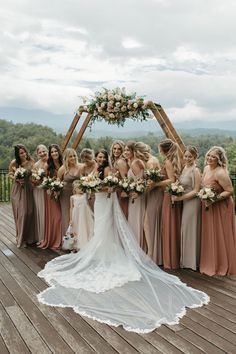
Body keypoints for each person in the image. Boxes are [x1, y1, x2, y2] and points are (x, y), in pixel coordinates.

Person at [37, 159, 209, 333]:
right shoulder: (96, 174)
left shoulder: (114, 173)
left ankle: (106, 255)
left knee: (106, 229)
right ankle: (99, 255)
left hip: (108, 203)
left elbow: (117, 187)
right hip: (100, 202)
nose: (103, 163)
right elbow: (92, 187)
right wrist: (98, 187)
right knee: (100, 229)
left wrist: (112, 187)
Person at [200, 146, 236, 276]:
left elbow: (230, 191)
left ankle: (223, 263)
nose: (210, 158)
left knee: (222, 234)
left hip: (221, 207)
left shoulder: (220, 173)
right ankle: (212, 261)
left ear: (219, 159)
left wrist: (214, 199)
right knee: (211, 233)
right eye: (209, 155)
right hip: (209, 206)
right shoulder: (206, 168)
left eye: (213, 157)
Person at [148, 139, 182, 269]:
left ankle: (169, 258)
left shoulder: (168, 161)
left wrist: (156, 183)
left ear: (163, 149)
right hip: (172, 194)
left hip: (168, 194)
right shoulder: (175, 159)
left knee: (168, 224)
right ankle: (173, 256)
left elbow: (171, 179)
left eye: (160, 148)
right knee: (173, 224)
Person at [172, 146, 201, 270]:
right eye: (186, 156)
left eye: (190, 156)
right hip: (185, 202)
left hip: (193, 203)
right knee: (185, 228)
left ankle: (192, 262)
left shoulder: (195, 170)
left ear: (195, 157)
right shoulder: (185, 168)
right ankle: (186, 260)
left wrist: (180, 198)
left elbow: (196, 191)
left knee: (190, 229)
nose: (187, 158)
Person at [9, 144, 36, 248]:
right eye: (21, 153)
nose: (23, 154)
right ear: (18, 154)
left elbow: (34, 173)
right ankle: (20, 238)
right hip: (17, 190)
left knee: (29, 212)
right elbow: (10, 174)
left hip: (28, 189)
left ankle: (28, 237)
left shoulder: (31, 161)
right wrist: (16, 178)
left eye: (24, 151)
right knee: (21, 213)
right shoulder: (14, 163)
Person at [38, 144, 62, 250]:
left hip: (64, 193)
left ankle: (64, 240)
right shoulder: (48, 166)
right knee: (56, 218)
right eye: (52, 152)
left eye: (55, 151)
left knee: (64, 217)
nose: (54, 153)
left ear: (59, 152)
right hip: (52, 195)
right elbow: (45, 181)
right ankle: (55, 239)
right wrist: (52, 188)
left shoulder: (64, 163)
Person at [124, 141, 146, 247]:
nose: (125, 152)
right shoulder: (132, 162)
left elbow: (140, 182)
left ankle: (137, 247)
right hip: (133, 196)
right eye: (125, 150)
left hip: (137, 197)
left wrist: (134, 191)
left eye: (128, 150)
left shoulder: (134, 163)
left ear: (134, 151)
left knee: (135, 221)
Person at [58, 148, 81, 237]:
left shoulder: (80, 167)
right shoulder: (62, 169)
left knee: (78, 215)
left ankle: (78, 238)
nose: (73, 158)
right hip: (65, 195)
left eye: (74, 156)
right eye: (70, 156)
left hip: (78, 194)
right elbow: (58, 182)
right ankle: (67, 238)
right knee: (67, 215)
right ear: (66, 158)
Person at [69, 180, 94, 250]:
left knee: (85, 226)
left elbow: (88, 205)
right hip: (76, 215)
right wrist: (70, 219)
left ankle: (86, 242)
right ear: (74, 189)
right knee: (77, 228)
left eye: (81, 188)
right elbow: (71, 208)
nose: (80, 189)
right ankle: (76, 244)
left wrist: (91, 213)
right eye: (78, 188)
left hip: (85, 214)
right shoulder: (72, 197)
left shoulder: (85, 195)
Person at [32, 144, 48, 244]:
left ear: (47, 151)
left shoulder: (51, 162)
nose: (42, 153)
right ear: (37, 154)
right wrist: (38, 181)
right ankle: (42, 236)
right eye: (40, 152)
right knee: (42, 213)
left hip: (50, 190)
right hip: (40, 191)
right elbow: (33, 180)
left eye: (44, 151)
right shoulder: (36, 165)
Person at [110, 140, 129, 217]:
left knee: (122, 214)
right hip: (116, 191)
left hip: (121, 192)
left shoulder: (121, 162)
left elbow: (125, 179)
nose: (116, 151)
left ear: (122, 150)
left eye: (119, 149)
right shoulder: (115, 161)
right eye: (114, 149)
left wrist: (125, 191)